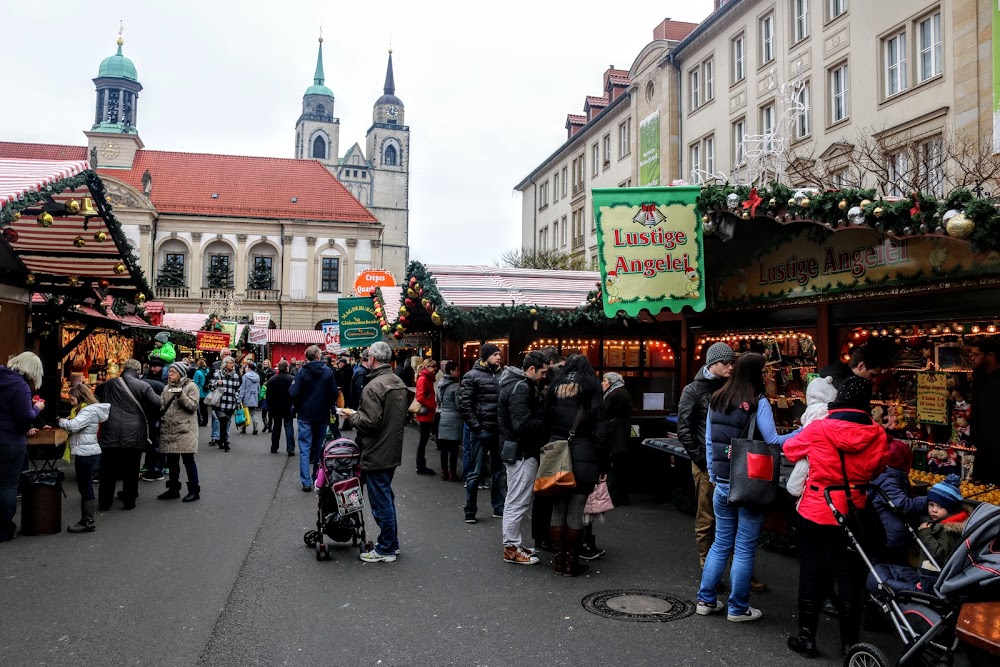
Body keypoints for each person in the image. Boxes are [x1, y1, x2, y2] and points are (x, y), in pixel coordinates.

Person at [783, 375, 889, 657]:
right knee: (850, 577)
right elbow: (877, 469)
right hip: (854, 510)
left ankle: (807, 639)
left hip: (816, 508)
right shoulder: (878, 433)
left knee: (811, 573)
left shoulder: (819, 428)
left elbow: (790, 450)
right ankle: (850, 645)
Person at [696, 352, 799, 622]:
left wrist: (714, 474)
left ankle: (705, 600)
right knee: (743, 547)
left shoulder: (716, 398)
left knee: (720, 543)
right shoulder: (757, 401)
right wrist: (805, 431)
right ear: (755, 374)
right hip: (749, 482)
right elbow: (774, 439)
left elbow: (709, 442)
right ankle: (737, 608)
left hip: (722, 483)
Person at [543, 354, 608, 576]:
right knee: (576, 510)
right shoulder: (592, 388)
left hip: (556, 453)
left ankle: (558, 561)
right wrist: (603, 463)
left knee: (558, 507)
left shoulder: (554, 387)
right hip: (584, 453)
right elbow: (601, 430)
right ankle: (571, 562)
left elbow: (545, 423)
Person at [344, 341, 407, 563]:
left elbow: (369, 423)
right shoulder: (397, 381)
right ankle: (392, 544)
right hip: (391, 448)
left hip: (377, 450)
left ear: (372, 359)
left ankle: (387, 547)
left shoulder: (374, 386)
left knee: (381, 501)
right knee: (386, 497)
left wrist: (351, 416)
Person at [677, 342, 735, 569]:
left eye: (733, 363)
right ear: (713, 364)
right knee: (707, 516)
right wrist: (701, 459)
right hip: (706, 462)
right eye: (726, 363)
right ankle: (707, 563)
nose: (731, 367)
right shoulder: (693, 390)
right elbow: (685, 429)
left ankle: (735, 566)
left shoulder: (732, 386)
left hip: (731, 461)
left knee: (732, 518)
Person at [870, 474, 969, 596]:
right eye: (931, 504)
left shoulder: (948, 529)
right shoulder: (940, 523)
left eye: (940, 507)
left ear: (951, 509)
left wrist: (925, 533)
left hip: (934, 579)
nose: (934, 510)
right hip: (930, 574)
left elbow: (939, 555)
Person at [498, 351, 548, 565]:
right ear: (531, 370)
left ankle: (514, 545)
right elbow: (522, 425)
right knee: (517, 500)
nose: (544, 376)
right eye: (543, 372)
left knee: (515, 499)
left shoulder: (516, 385)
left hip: (517, 450)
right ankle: (511, 548)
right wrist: (546, 423)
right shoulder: (521, 389)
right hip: (522, 452)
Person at [96, 358, 161, 511]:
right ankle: (129, 501)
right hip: (134, 431)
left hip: (110, 429)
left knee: (107, 469)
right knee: (131, 469)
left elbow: (99, 397)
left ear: (124, 369)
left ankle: (104, 503)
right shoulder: (143, 385)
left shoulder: (110, 384)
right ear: (138, 371)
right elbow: (157, 403)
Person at [459, 343, 507, 523]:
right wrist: (476, 426)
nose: (498, 357)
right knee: (475, 472)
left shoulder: (502, 375)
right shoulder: (472, 376)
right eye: (495, 354)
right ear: (486, 356)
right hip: (481, 431)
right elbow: (465, 405)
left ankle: (498, 506)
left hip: (498, 431)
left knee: (498, 471)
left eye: (499, 354)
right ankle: (470, 510)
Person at [0, 352, 44, 542]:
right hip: (10, 440)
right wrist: (37, 408)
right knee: (8, 485)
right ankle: (4, 528)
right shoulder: (21, 386)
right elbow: (25, 417)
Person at [59, 384, 110, 533]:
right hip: (86, 451)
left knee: (85, 486)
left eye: (73, 399)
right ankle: (87, 520)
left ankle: (88, 521)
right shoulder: (88, 410)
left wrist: (61, 421)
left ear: (80, 397)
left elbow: (74, 426)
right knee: (85, 486)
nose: (71, 402)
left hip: (86, 453)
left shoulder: (87, 411)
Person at [870, 439, 928, 564]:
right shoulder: (888, 479)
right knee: (891, 565)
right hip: (890, 534)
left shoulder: (888, 474)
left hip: (885, 531)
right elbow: (902, 504)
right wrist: (930, 500)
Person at [289, 345, 338, 491]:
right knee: (319, 448)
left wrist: (299, 404)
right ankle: (316, 477)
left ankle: (305, 481)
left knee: (304, 448)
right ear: (317, 356)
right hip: (321, 415)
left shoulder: (302, 372)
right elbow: (334, 393)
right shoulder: (327, 371)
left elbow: (293, 392)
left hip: (305, 414)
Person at [157, 363, 201, 503]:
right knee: (172, 462)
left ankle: (194, 490)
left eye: (173, 372)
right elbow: (162, 405)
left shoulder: (191, 387)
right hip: (170, 430)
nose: (170, 374)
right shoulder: (166, 388)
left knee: (188, 461)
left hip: (185, 431)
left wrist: (181, 395)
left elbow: (193, 407)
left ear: (181, 374)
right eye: (169, 371)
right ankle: (173, 489)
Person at [969, 338, 1000, 484]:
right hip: (983, 451)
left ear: (991, 356)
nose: (972, 358)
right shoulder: (979, 379)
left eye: (976, 355)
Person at [139, 357, 167, 482]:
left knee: (156, 440)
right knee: (152, 440)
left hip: (157, 412)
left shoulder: (163, 379)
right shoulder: (148, 375)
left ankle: (159, 467)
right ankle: (150, 465)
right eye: (151, 366)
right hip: (149, 412)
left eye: (155, 366)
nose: (152, 369)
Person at [436, 361, 463, 481]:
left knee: (444, 448)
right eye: (457, 369)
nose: (458, 372)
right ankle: (452, 473)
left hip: (443, 417)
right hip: (454, 420)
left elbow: (438, 400)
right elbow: (459, 405)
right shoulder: (456, 387)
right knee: (454, 448)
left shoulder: (440, 384)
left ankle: (444, 472)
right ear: (451, 371)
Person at [818, 345, 888, 389]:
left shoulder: (837, 373)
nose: (874, 380)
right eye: (872, 375)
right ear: (861, 366)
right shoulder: (836, 375)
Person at [209, 356, 241, 452]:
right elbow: (210, 386)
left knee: (226, 422)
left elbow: (238, 389)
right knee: (223, 421)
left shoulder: (235, 376)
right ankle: (225, 442)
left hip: (230, 403)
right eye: (230, 363)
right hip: (219, 403)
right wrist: (216, 383)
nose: (232, 365)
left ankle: (221, 440)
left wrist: (236, 397)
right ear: (225, 364)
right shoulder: (218, 374)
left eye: (233, 363)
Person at [413, 358, 438, 475]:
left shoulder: (426, 378)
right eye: (433, 366)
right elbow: (420, 397)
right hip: (426, 413)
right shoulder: (424, 379)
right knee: (423, 440)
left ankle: (421, 465)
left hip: (427, 412)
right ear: (426, 367)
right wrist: (433, 406)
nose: (435, 369)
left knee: (423, 439)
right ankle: (420, 465)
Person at [266, 361, 295, 455]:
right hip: (288, 406)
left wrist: (269, 408)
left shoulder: (272, 380)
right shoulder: (292, 379)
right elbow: (295, 394)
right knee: (289, 427)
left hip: (275, 407)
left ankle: (274, 447)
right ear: (287, 368)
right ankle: (290, 448)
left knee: (276, 427)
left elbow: (269, 396)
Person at [209, 349, 233, 445]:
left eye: (228, 354)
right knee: (216, 417)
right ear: (221, 355)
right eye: (225, 354)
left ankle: (225, 436)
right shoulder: (215, 365)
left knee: (227, 419)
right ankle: (215, 437)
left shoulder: (234, 365)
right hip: (218, 397)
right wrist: (214, 384)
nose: (227, 356)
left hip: (229, 397)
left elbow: (238, 382)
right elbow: (209, 378)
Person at [237, 362, 260, 435]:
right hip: (254, 396)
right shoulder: (257, 376)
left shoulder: (245, 376)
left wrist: (239, 398)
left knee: (244, 412)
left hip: (246, 396)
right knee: (253, 412)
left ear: (249, 368)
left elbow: (243, 389)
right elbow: (258, 387)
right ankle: (255, 427)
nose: (245, 368)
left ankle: (244, 428)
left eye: (246, 367)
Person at [259, 359, 275, 433]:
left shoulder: (271, 371)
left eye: (266, 363)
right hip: (264, 391)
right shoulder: (261, 371)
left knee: (270, 413)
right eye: (264, 363)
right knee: (264, 412)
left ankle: (269, 427)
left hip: (270, 393)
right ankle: (266, 425)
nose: (265, 364)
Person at [193, 359, 210, 427]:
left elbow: (195, 382)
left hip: (200, 392)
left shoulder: (198, 372)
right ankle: (206, 420)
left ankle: (201, 421)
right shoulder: (208, 371)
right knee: (205, 408)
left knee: (201, 408)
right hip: (207, 392)